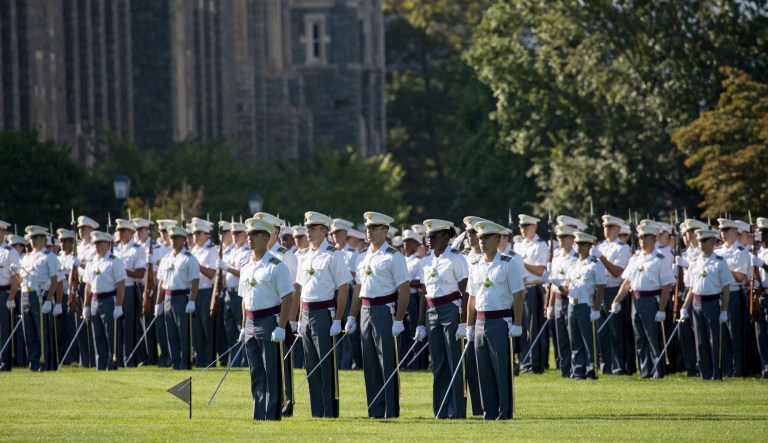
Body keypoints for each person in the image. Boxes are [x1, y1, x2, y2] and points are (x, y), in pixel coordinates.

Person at [348, 211, 410, 418]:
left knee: (387, 361)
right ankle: (374, 408)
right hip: (365, 310)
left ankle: (390, 409)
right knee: (370, 362)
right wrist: (351, 316)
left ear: (385, 231)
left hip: (385, 310)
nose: (369, 232)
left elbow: (404, 289)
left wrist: (399, 319)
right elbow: (358, 289)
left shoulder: (394, 256)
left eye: (374, 228)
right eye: (367, 228)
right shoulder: (362, 256)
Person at [295, 211, 352, 417]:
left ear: (323, 230)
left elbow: (343, 287)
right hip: (307, 313)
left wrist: (338, 319)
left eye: (312, 228)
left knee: (326, 364)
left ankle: (330, 410)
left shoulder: (333, 254)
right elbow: (302, 289)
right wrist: (300, 318)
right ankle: (316, 410)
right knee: (310, 364)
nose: (307, 232)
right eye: (307, 228)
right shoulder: (303, 255)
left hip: (324, 312)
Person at [466, 220, 524, 420]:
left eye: (487, 237)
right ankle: (488, 411)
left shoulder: (509, 264)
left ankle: (504, 411)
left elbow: (518, 295)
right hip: (481, 322)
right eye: (480, 238)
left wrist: (517, 324)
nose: (482, 242)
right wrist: (469, 326)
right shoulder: (475, 265)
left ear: (498, 239)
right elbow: (472, 298)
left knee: (501, 369)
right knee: (484, 370)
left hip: (501, 321)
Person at [238, 217, 294, 421]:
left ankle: (272, 414)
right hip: (251, 323)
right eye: (248, 234)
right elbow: (244, 298)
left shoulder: (277, 266)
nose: (250, 238)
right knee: (256, 373)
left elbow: (288, 297)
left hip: (270, 320)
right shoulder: (246, 265)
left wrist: (281, 327)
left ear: (266, 237)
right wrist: (244, 326)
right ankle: (258, 413)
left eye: (255, 235)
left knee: (272, 371)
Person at [414, 219, 468, 418]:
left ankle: (457, 410)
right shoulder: (426, 260)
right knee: (438, 364)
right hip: (431, 311)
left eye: (433, 236)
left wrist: (463, 322)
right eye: (428, 236)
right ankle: (441, 409)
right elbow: (423, 293)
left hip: (451, 310)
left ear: (445, 237)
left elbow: (465, 292)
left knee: (454, 360)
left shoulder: (456, 259)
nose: (429, 240)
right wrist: (420, 323)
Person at [611, 224, 675, 378]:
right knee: (640, 339)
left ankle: (657, 371)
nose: (643, 241)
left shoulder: (660, 259)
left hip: (652, 300)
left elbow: (666, 286)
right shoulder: (635, 259)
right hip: (636, 300)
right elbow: (627, 283)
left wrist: (661, 309)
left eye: (646, 237)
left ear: (654, 239)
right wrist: (616, 301)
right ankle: (645, 371)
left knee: (653, 337)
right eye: (640, 238)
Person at [254, 212, 299, 416]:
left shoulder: (285, 256)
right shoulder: (258, 256)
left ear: (275, 232)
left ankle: (287, 401)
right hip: (263, 317)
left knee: (283, 362)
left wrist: (291, 320)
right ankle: (270, 400)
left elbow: (293, 291)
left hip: (281, 317)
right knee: (266, 364)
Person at [679, 229, 733, 380]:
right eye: (700, 241)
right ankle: (705, 373)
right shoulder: (695, 263)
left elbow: (726, 288)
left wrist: (724, 310)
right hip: (697, 303)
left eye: (705, 241)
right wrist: (684, 307)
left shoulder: (720, 262)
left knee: (714, 340)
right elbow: (691, 288)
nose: (701, 244)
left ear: (713, 242)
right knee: (700, 341)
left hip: (713, 302)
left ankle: (717, 373)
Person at [552, 232, 606, 379]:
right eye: (577, 243)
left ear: (589, 246)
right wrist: (558, 285)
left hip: (585, 306)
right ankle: (578, 371)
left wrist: (596, 309)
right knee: (574, 341)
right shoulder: (574, 264)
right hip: (571, 305)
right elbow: (568, 289)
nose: (578, 246)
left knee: (588, 341)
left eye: (581, 244)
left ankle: (590, 371)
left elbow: (600, 287)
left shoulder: (595, 264)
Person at [155, 226, 200, 370]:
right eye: (172, 238)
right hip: (168, 297)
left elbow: (195, 281)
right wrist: (158, 303)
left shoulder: (189, 258)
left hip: (182, 297)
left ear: (184, 240)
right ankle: (175, 362)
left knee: (184, 333)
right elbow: (161, 282)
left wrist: (192, 300)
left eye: (177, 238)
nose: (173, 241)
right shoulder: (166, 258)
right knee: (171, 333)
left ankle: (185, 363)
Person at [82, 230, 127, 371]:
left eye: (100, 243)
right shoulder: (91, 262)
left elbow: (121, 285)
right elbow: (88, 286)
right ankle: (100, 365)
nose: (97, 246)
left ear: (108, 244)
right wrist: (86, 305)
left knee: (111, 335)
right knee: (98, 335)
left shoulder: (115, 261)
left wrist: (119, 305)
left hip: (109, 300)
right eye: (95, 243)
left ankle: (112, 363)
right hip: (95, 301)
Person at [594, 215, 631, 375]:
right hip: (600, 290)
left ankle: (618, 366)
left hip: (614, 290)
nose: (607, 230)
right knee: (602, 331)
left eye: (610, 227)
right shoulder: (600, 246)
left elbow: (617, 272)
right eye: (605, 227)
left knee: (616, 331)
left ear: (618, 229)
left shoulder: (622, 248)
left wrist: (600, 258)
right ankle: (606, 365)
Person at [714, 218, 751, 377]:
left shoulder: (741, 252)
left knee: (735, 333)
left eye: (726, 230)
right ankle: (726, 368)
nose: (723, 234)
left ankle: (738, 369)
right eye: (722, 231)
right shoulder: (717, 252)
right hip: (719, 293)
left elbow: (740, 276)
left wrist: (723, 270)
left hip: (735, 293)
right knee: (722, 335)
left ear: (735, 232)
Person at [514, 214, 548, 374]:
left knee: (534, 327)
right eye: (521, 227)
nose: (522, 230)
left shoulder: (540, 245)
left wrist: (522, 263)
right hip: (520, 288)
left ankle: (535, 363)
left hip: (534, 287)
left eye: (525, 227)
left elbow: (540, 270)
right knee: (522, 326)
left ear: (534, 227)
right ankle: (525, 360)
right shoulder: (518, 245)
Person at [545, 224, 579, 377]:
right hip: (558, 299)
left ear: (572, 239)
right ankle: (565, 369)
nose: (560, 240)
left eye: (564, 237)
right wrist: (550, 305)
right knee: (561, 338)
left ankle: (575, 367)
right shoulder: (557, 257)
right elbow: (553, 284)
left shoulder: (576, 258)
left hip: (571, 299)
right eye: (559, 237)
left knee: (573, 336)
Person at [113, 219, 147, 366]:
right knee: (116, 326)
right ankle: (118, 358)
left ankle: (130, 358)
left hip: (129, 288)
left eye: (122, 231)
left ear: (131, 233)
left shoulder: (137, 249)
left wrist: (121, 270)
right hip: (113, 289)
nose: (119, 233)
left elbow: (140, 273)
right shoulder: (114, 249)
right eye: (118, 230)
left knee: (129, 326)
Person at [218, 221, 250, 366]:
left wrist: (227, 268)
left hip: (239, 294)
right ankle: (234, 360)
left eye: (237, 233)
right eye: (232, 234)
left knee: (240, 327)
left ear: (244, 235)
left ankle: (244, 360)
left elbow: (243, 273)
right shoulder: (231, 252)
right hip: (228, 293)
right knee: (229, 329)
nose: (234, 236)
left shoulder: (247, 252)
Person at [0, 220, 21, 371]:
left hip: (4, 293)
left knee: (4, 330)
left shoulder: (9, 252)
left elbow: (16, 278)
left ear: (4, 233)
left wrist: (11, 297)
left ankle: (4, 363)